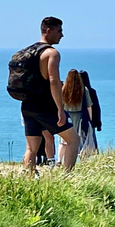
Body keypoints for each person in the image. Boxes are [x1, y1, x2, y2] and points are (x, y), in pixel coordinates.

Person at [19, 18, 79, 172]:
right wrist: (60, 109)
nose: (62, 35)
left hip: (27, 104)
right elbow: (53, 81)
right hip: (45, 105)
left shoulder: (27, 52)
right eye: (59, 31)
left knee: (31, 148)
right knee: (73, 140)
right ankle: (67, 178)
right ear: (48, 31)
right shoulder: (52, 53)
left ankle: (28, 179)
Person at [57, 69, 93, 163]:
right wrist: (90, 119)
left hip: (65, 115)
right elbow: (89, 106)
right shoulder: (84, 90)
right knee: (77, 139)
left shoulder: (63, 88)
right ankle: (74, 161)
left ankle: (59, 161)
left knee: (63, 141)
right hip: (79, 116)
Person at [79, 70, 101, 152]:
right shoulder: (92, 91)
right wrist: (98, 122)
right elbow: (96, 107)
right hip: (89, 119)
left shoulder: (75, 92)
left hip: (78, 118)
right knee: (90, 139)